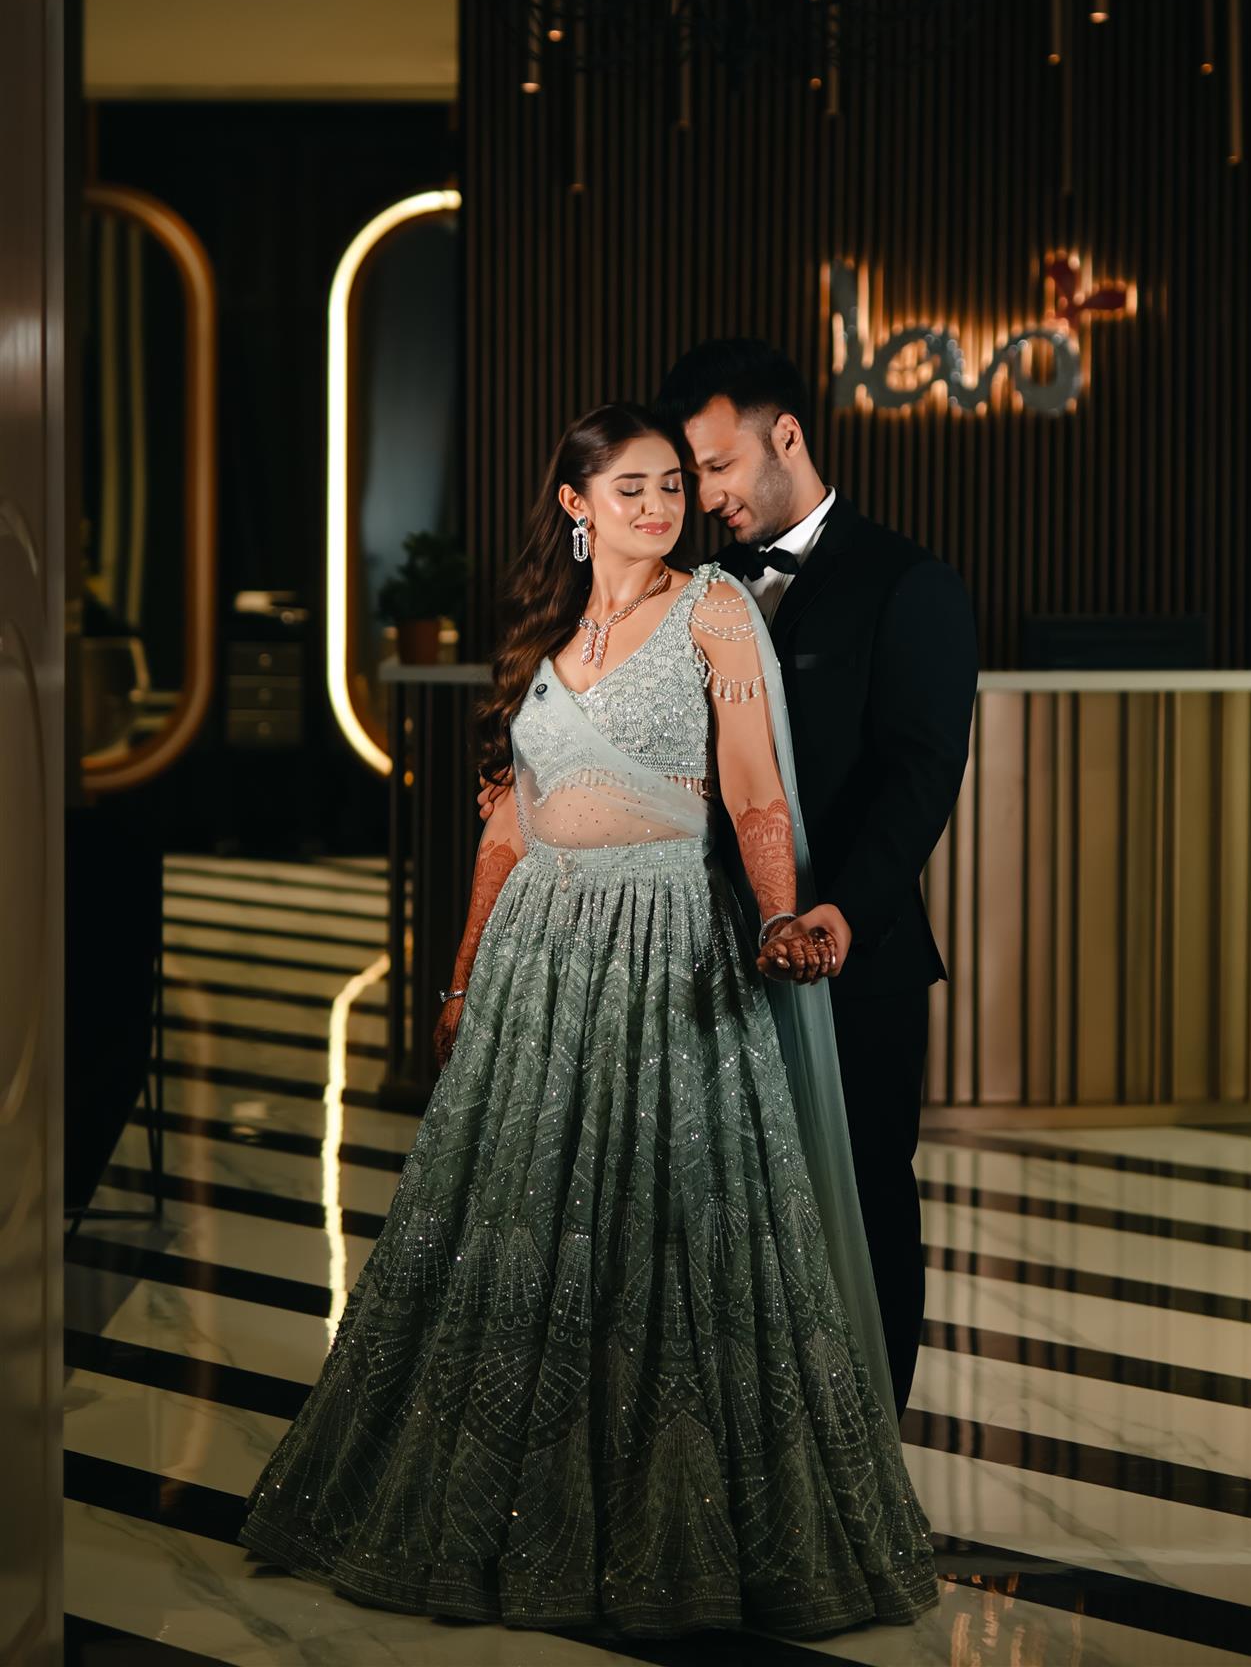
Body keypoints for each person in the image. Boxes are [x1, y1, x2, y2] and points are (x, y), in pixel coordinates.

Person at [239, 403, 938, 1641]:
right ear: (575, 504)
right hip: (537, 960)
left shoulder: (715, 609)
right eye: (632, 488)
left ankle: (673, 1531)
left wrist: (780, 913)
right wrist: (461, 978)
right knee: (515, 1233)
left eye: (672, 485)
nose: (661, 507)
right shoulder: (542, 638)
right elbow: (506, 826)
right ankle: (500, 1518)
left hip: (668, 946)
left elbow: (754, 789)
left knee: (675, 1239)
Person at [654, 340, 979, 1419]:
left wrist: (844, 908)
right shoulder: (697, 593)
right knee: (731, 1209)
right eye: (692, 474)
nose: (706, 497)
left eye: (718, 466)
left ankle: (873, 1450)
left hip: (859, 956)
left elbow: (921, 775)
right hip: (716, 958)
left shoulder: (910, 582)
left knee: (867, 1201)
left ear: (785, 436)